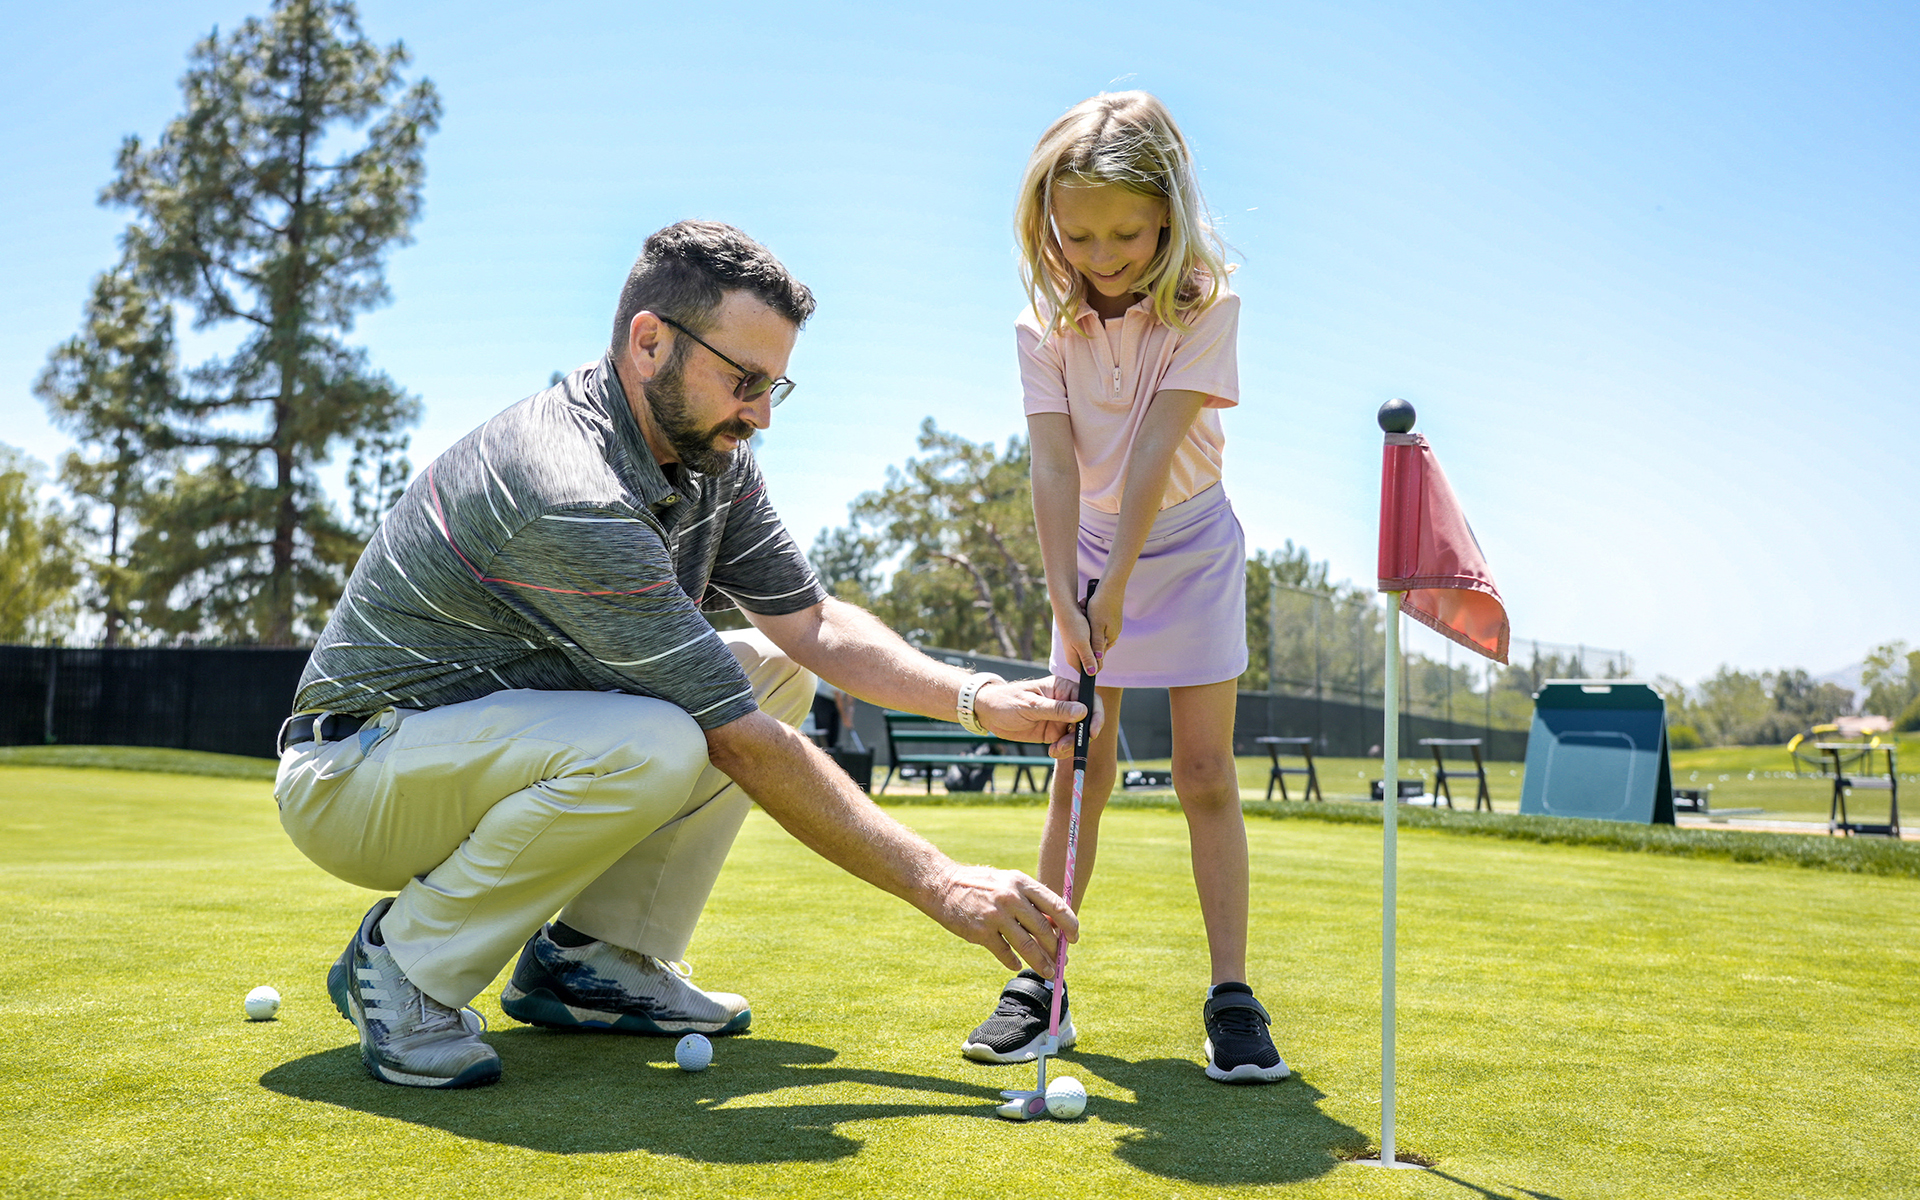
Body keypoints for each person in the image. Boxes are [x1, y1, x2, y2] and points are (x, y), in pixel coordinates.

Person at [276, 220, 1091, 1090]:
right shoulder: (572, 490)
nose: (761, 414)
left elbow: (812, 624)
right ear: (650, 342)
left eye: (775, 386)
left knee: (774, 669)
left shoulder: (713, 459)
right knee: (664, 739)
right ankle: (404, 964)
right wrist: (943, 884)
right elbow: (739, 741)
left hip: (457, 757)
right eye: (745, 380)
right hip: (355, 776)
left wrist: (976, 697)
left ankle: (595, 960)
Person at [957, 93, 1289, 1083]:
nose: (1102, 257)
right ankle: (1043, 986)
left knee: (1204, 773)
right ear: (1047, 224)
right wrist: (1067, 594)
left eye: (1127, 234)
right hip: (1091, 550)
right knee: (1080, 768)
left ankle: (1231, 996)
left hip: (1187, 546)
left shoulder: (1207, 306)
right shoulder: (1042, 326)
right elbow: (1054, 464)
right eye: (1079, 235)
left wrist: (1111, 588)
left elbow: (1151, 453)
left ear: (1169, 215)